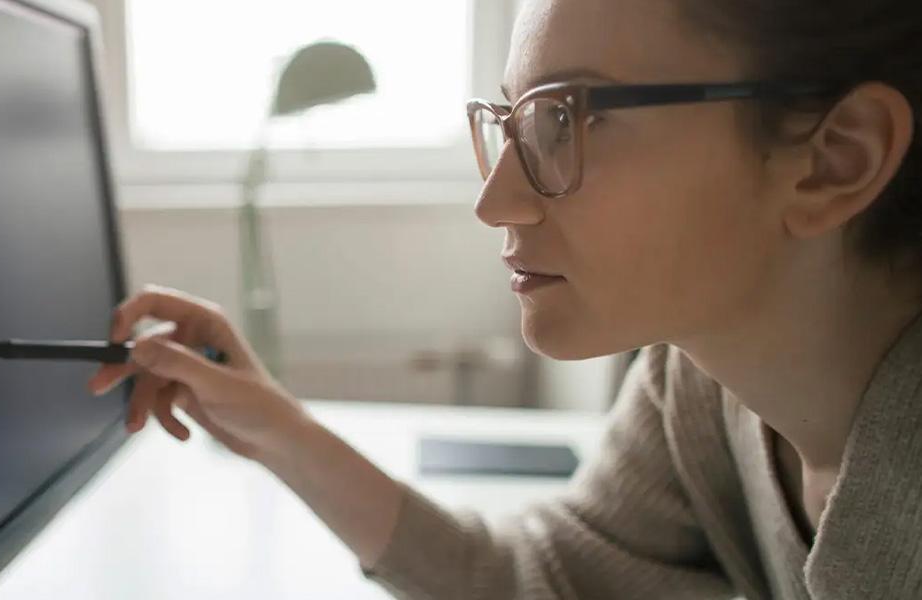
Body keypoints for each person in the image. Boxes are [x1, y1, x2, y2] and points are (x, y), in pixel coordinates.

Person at [86, 0, 922, 596]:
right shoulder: (702, 379)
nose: (496, 201)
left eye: (570, 117)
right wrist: (279, 428)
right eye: (514, 121)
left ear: (836, 159)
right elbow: (541, 580)